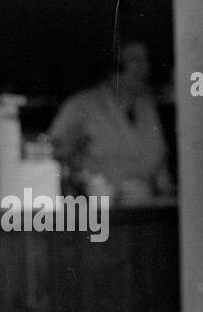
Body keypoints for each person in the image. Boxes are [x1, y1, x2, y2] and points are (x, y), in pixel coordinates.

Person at [47, 38, 172, 205]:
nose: (144, 67)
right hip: (103, 207)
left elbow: (159, 161)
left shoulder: (147, 105)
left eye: (146, 60)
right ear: (114, 66)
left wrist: (165, 190)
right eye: (135, 60)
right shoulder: (81, 104)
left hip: (145, 207)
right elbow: (55, 153)